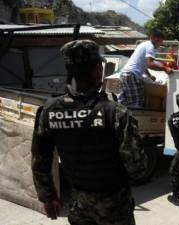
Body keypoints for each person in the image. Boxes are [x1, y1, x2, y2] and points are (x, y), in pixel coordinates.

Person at [31, 40, 148, 225]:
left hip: (79, 208)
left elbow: (40, 159)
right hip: (115, 209)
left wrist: (48, 197)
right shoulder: (116, 112)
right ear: (97, 69)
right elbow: (138, 169)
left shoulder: (49, 110)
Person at [119, 29, 173, 108]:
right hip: (132, 75)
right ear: (156, 39)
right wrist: (165, 68)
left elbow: (143, 64)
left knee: (125, 102)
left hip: (125, 74)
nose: (160, 44)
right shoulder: (150, 47)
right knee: (137, 103)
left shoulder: (144, 44)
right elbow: (150, 64)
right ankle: (135, 119)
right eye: (160, 42)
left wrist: (150, 76)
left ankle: (121, 119)